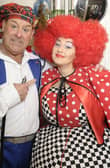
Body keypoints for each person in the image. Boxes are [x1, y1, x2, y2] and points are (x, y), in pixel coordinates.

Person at [30, 15, 110, 168]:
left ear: (80, 51)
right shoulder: (46, 77)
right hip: (48, 152)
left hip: (92, 153)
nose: (60, 49)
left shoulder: (92, 75)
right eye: (57, 44)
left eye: (68, 46)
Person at [0, 3, 50, 168]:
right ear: (3, 27)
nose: (19, 34)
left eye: (26, 29)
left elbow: (67, 67)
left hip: (34, 148)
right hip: (3, 150)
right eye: (13, 26)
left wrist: (91, 67)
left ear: (32, 35)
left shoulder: (37, 62)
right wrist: (9, 96)